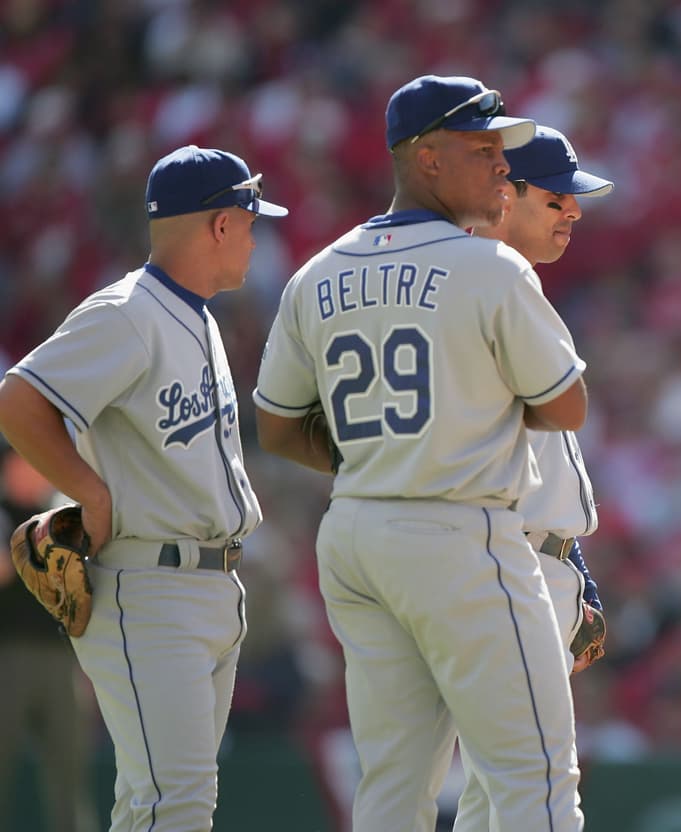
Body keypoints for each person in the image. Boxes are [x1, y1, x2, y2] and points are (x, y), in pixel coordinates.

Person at [252, 74, 588, 831]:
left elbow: (276, 426)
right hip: (458, 534)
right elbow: (567, 403)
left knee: (392, 788)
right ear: (426, 157)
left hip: (358, 536)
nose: (502, 166)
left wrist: (387, 457)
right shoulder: (491, 267)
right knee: (535, 780)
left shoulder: (318, 272)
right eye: (482, 150)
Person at [0, 144, 289, 831]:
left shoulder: (197, 316)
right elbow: (18, 399)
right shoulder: (127, 312)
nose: (256, 234)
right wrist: (89, 494)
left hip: (207, 585)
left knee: (151, 804)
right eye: (249, 221)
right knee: (176, 805)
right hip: (151, 585)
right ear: (220, 224)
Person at [456, 124, 612, 831]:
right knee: (541, 784)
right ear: (504, 194)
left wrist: (572, 568)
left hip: (530, 561)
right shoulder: (481, 285)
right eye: (554, 198)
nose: (572, 212)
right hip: (503, 562)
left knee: (493, 795)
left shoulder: (509, 287)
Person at [0, 437, 97, 832]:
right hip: (8, 658)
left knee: (69, 774)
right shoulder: (6, 515)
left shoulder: (60, 518)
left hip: (61, 660)